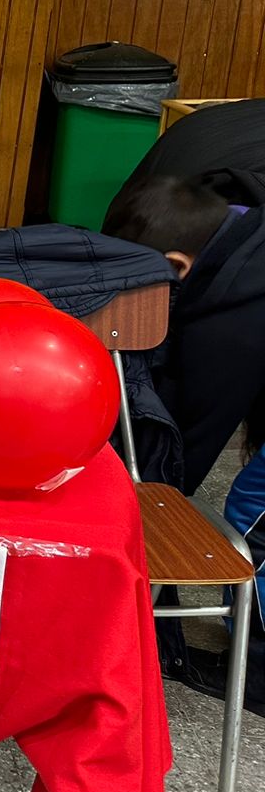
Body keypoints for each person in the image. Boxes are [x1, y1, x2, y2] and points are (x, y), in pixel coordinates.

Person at [102, 174, 265, 709]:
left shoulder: (235, 326)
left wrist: (142, 505)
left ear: (177, 267)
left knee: (255, 515)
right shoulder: (237, 227)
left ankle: (258, 670)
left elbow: (186, 447)